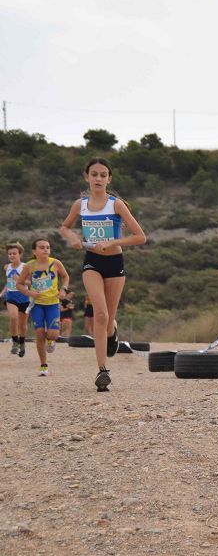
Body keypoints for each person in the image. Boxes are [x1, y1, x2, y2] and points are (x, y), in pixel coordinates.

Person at [59, 157, 147, 392]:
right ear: (86, 176)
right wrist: (74, 238)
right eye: (94, 174)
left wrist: (113, 241)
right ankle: (102, 371)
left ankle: (112, 332)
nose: (98, 178)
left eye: (103, 175)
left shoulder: (116, 205)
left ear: (109, 179)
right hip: (92, 262)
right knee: (99, 314)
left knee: (108, 320)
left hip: (114, 262)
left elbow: (140, 236)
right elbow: (64, 227)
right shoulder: (80, 205)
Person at [16, 239, 71, 377]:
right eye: (42, 247)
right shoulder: (29, 266)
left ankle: (51, 340)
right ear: (34, 251)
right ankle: (43, 365)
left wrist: (63, 289)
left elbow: (65, 276)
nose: (45, 249)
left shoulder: (56, 263)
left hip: (52, 303)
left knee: (53, 334)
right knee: (39, 334)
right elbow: (19, 284)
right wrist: (29, 292)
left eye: (47, 247)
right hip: (37, 304)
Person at [3, 242, 30, 357]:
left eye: (14, 253)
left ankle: (22, 343)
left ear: (20, 254)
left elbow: (31, 283)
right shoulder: (6, 267)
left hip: (24, 296)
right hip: (11, 296)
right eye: (10, 254)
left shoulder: (25, 267)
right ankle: (15, 342)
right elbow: (8, 282)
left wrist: (20, 279)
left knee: (22, 324)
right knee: (13, 318)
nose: (12, 256)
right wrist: (2, 292)